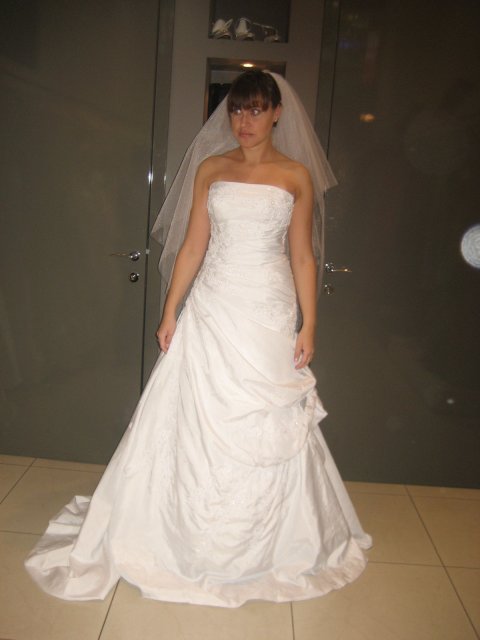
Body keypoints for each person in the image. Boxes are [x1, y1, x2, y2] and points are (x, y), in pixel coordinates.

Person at [25, 70, 372, 607]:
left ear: (277, 113)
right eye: (236, 109)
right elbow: (192, 247)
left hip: (267, 308)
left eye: (256, 110)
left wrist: (309, 322)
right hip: (213, 304)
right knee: (193, 410)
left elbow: (303, 255)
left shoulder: (296, 175)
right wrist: (171, 310)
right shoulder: (212, 168)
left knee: (265, 414)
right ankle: (174, 530)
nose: (244, 121)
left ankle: (272, 540)